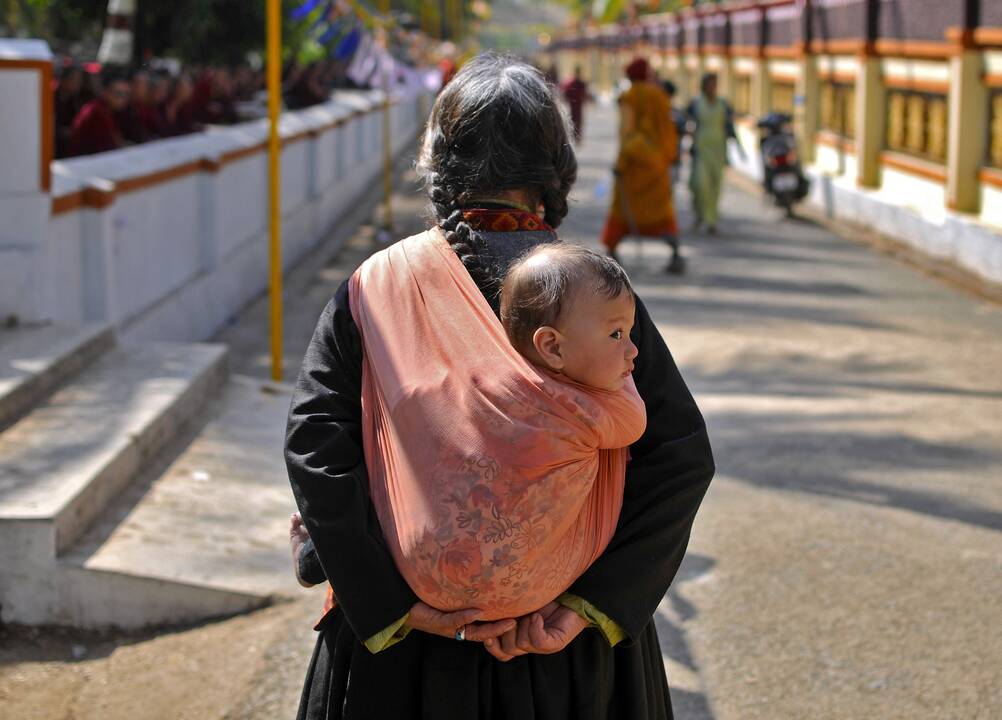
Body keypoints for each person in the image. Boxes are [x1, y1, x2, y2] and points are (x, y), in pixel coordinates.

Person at [286, 53, 714, 720]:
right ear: (556, 166)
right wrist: (586, 609)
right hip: (564, 667)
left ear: (439, 162)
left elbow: (318, 449)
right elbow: (679, 454)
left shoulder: (376, 287)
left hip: (405, 661)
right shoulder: (589, 298)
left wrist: (395, 607)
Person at [600, 58, 684, 274]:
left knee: (623, 208)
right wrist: (668, 157)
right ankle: (675, 251)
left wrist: (620, 162)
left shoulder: (630, 97)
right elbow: (669, 131)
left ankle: (611, 249)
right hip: (657, 166)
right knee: (661, 209)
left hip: (633, 165)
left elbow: (627, 133)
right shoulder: (659, 96)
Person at [687, 72, 741, 234]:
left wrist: (739, 149)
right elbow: (686, 122)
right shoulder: (696, 103)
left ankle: (711, 220)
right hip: (701, 149)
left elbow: (730, 127)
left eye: (715, 84)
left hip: (718, 150)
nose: (712, 87)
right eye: (710, 84)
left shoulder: (723, 104)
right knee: (699, 184)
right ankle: (699, 213)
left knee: (715, 186)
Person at [68, 68, 130, 157]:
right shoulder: (96, 111)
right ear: (105, 92)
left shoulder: (110, 110)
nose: (123, 99)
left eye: (126, 94)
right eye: (119, 94)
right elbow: (108, 148)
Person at [560, 66, 592, 143]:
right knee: (575, 119)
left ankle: (576, 136)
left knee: (577, 120)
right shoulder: (576, 82)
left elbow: (585, 93)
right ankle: (575, 136)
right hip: (574, 104)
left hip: (577, 104)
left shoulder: (579, 83)